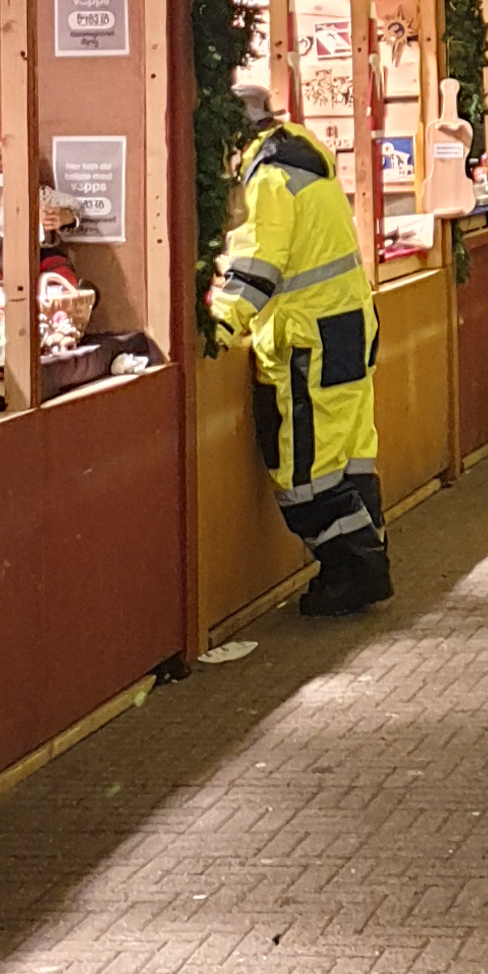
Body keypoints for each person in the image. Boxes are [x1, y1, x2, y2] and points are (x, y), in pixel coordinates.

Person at [213, 96, 393, 615]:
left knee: (305, 473)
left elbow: (258, 265)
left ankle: (355, 573)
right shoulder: (305, 162)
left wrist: (220, 325)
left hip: (307, 339)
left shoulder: (270, 180)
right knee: (349, 459)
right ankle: (363, 562)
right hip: (344, 328)